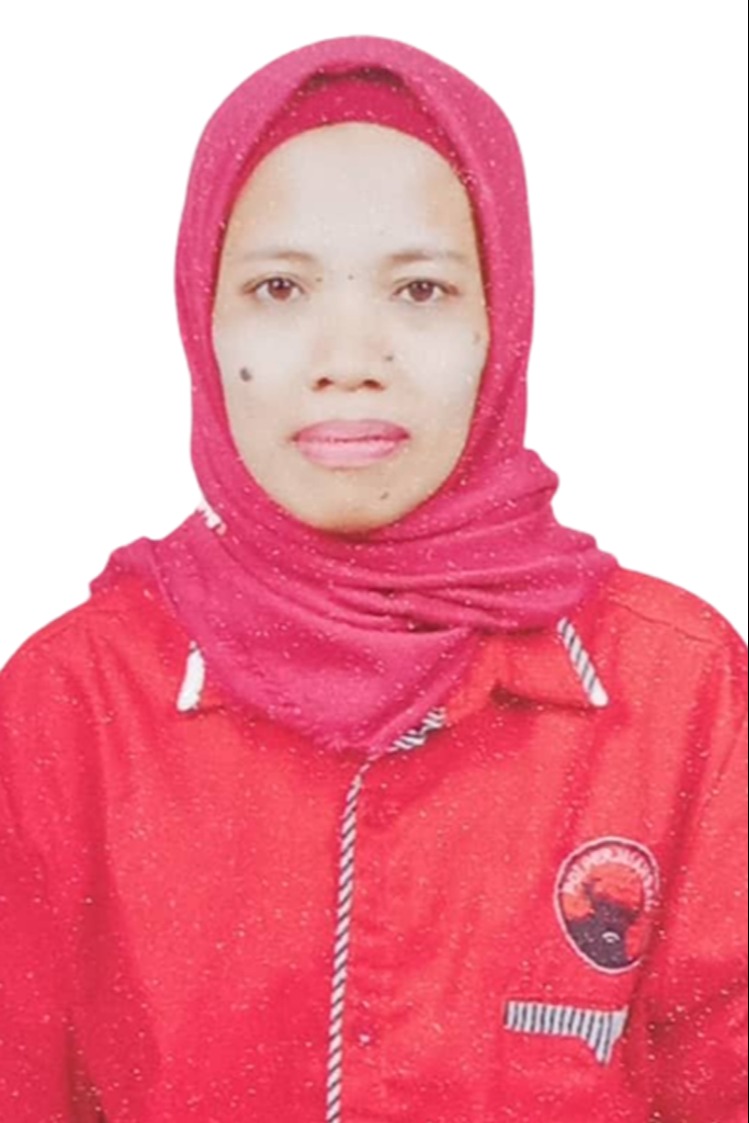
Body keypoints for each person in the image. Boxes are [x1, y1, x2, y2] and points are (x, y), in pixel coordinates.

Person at [0, 33, 745, 1123]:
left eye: (420, 288)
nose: (348, 356)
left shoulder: (676, 691)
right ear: (202, 319)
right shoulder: (73, 704)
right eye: (279, 286)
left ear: (501, 319)